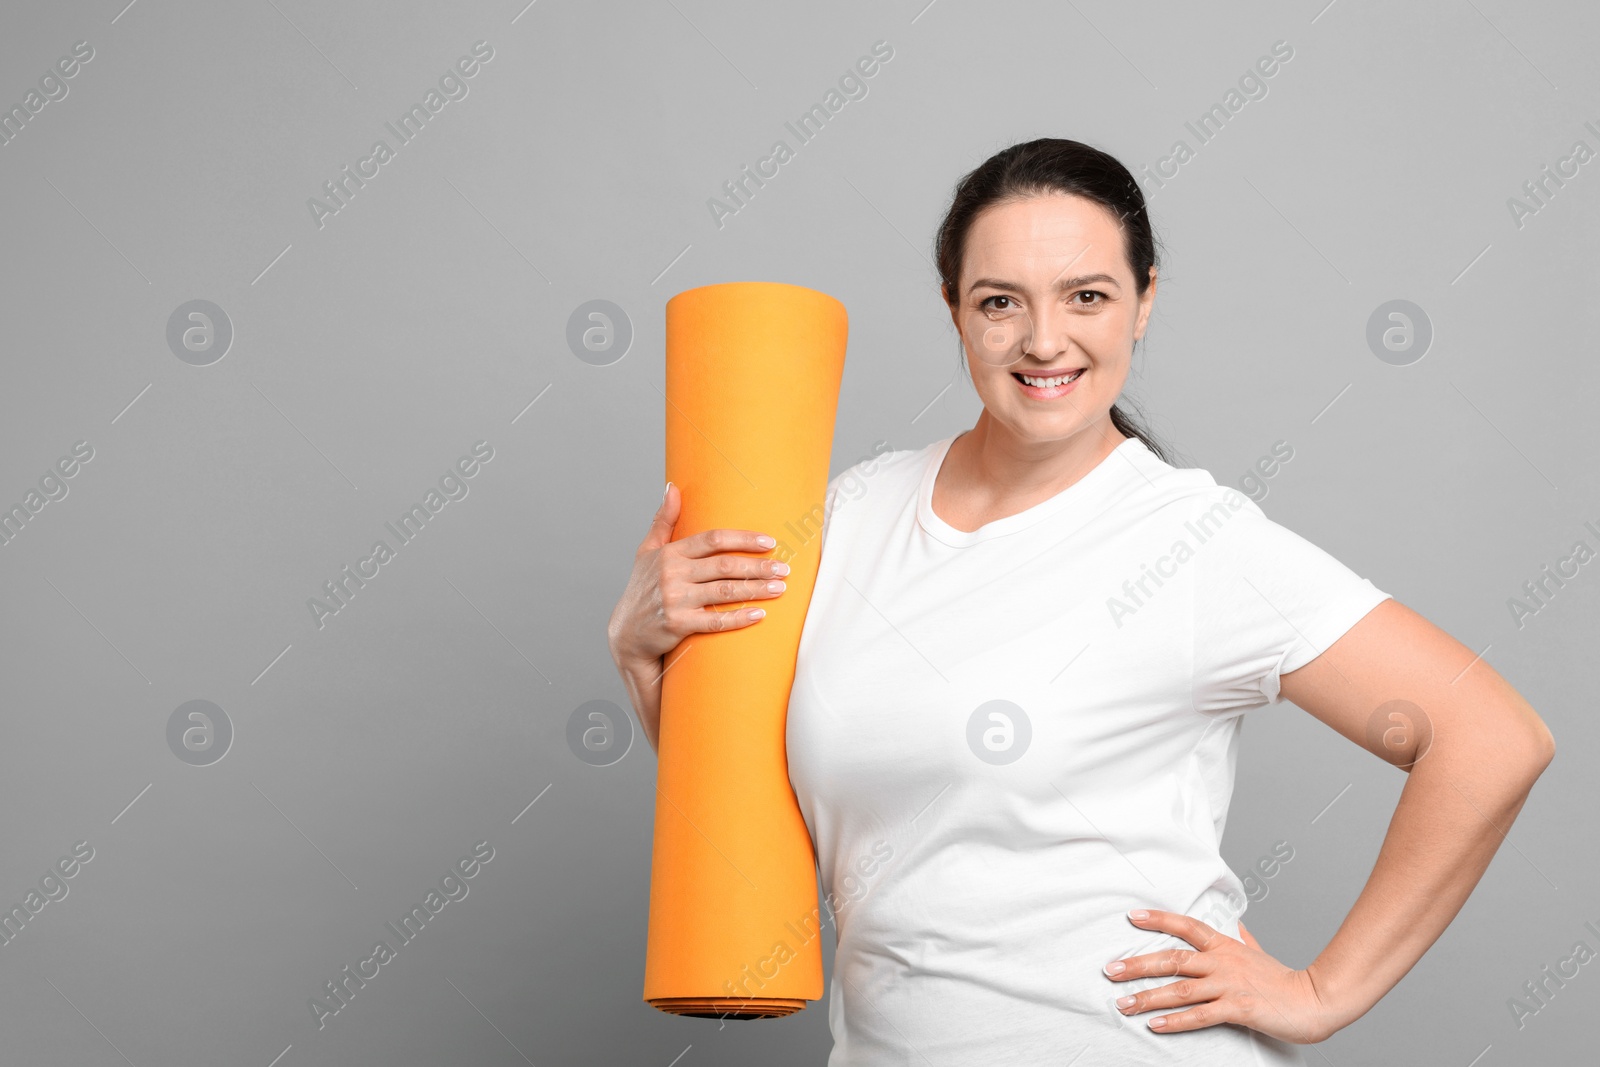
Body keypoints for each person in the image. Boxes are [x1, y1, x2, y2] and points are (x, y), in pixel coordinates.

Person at [606, 137, 1555, 1065]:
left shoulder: (1191, 541)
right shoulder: (850, 514)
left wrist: (1321, 993)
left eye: (1087, 296)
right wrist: (646, 658)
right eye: (999, 303)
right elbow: (783, 807)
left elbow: (1492, 736)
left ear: (1143, 304)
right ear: (954, 310)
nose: (1043, 340)